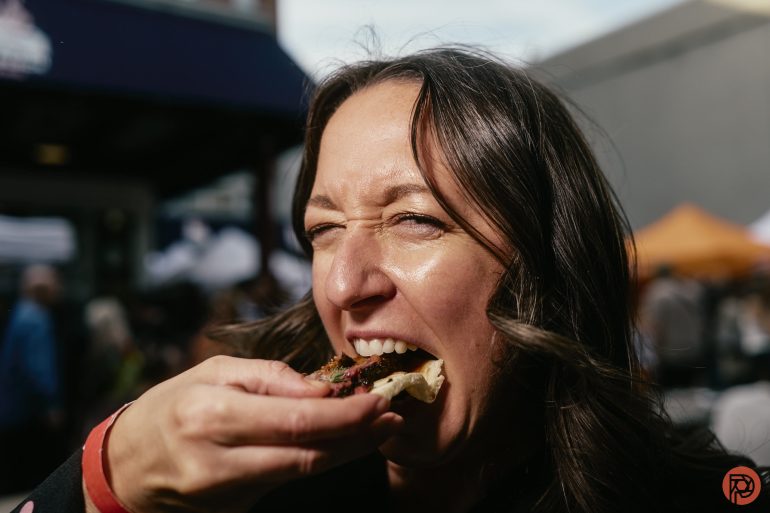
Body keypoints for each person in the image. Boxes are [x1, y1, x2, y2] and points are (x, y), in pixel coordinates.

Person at [12, 47, 769, 513]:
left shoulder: (699, 494)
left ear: (547, 265)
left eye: (415, 220)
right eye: (323, 229)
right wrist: (104, 480)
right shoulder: (242, 497)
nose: (342, 284)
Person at [0, 264, 65, 493]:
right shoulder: (36, 318)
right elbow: (39, 368)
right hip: (28, 412)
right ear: (41, 289)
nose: (59, 290)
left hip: (12, 410)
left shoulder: (20, 313)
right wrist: (51, 404)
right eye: (55, 284)